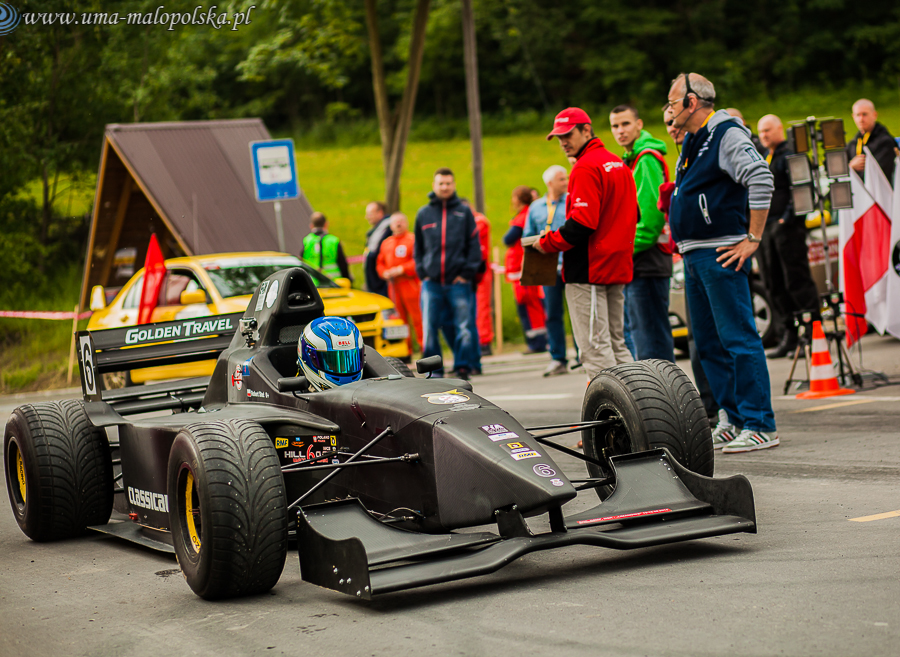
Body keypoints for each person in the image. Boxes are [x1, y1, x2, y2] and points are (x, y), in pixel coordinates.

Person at [666, 72, 777, 453]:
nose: (669, 110)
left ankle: (760, 423)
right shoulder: (694, 139)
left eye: (672, 102)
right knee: (708, 343)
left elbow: (760, 178)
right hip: (695, 253)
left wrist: (752, 238)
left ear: (691, 102)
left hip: (720, 252)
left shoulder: (726, 133)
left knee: (738, 338)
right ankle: (733, 417)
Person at [534, 107, 637, 381]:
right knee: (617, 343)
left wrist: (547, 243)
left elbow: (582, 224)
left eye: (567, 135)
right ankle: (638, 400)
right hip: (616, 264)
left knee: (594, 348)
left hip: (589, 270)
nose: (563, 142)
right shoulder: (617, 163)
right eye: (559, 137)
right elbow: (634, 215)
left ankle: (610, 406)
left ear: (586, 130)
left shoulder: (585, 166)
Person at [661, 105, 720, 423]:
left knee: (721, 336)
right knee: (700, 339)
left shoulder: (706, 149)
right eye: (667, 123)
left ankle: (738, 414)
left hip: (711, 251)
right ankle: (713, 408)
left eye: (675, 120)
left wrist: (750, 237)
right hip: (688, 254)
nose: (672, 127)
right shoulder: (682, 155)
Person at [610, 104, 675, 362]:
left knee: (651, 345)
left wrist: (621, 250)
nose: (620, 130)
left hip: (647, 257)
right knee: (645, 338)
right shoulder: (632, 158)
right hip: (640, 257)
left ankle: (660, 390)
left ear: (639, 124)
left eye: (625, 124)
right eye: (615, 126)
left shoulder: (645, 159)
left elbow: (650, 219)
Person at [756, 114, 821, 359]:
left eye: (768, 130)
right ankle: (789, 335)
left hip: (787, 228)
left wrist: (787, 219)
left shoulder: (791, 155)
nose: (764, 135)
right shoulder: (764, 157)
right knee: (773, 283)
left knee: (796, 279)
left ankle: (813, 334)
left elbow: (803, 189)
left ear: (779, 129)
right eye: (761, 131)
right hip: (766, 228)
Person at [414, 168, 483, 379]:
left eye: (448, 183)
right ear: (434, 185)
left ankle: (463, 367)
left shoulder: (464, 213)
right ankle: (434, 371)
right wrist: (423, 272)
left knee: (464, 327)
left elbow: (474, 246)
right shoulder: (423, 214)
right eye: (441, 183)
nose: (444, 187)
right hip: (431, 282)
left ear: (454, 185)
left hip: (458, 282)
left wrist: (466, 273)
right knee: (429, 327)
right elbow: (418, 247)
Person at [524, 165, 570, 376]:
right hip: (547, 267)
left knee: (578, 313)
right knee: (552, 314)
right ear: (549, 183)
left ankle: (582, 356)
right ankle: (558, 358)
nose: (566, 182)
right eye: (561, 179)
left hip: (570, 263)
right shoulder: (536, 207)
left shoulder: (571, 201)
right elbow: (527, 235)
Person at [504, 185, 549, 354]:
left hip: (521, 266)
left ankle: (537, 342)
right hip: (521, 266)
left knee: (529, 304)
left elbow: (508, 238)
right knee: (530, 304)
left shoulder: (524, 216)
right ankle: (536, 340)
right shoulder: (527, 215)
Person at [376, 213, 424, 353]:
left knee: (418, 317)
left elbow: (418, 261)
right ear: (390, 225)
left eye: (401, 221)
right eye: (395, 222)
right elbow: (380, 263)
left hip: (410, 284)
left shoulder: (412, 240)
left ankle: (424, 347)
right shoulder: (387, 243)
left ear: (406, 223)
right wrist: (384, 272)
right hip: (393, 286)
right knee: (399, 319)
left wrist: (402, 269)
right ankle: (405, 349)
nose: (398, 224)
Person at [298, 316, 366, 391]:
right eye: (332, 363)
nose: (343, 370)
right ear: (310, 358)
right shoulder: (293, 396)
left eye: (349, 361)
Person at [846, 99, 897, 184]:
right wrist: (850, 167)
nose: (861, 119)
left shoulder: (885, 142)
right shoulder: (853, 143)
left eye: (864, 114)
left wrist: (850, 170)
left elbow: (879, 174)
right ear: (853, 116)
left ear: (874, 115)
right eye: (858, 115)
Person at [299, 211, 352, 282]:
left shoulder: (306, 241)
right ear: (326, 224)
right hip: (332, 283)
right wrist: (348, 280)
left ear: (311, 226)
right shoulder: (333, 241)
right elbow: (343, 265)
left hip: (312, 284)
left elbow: (301, 263)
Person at [364, 201, 392, 297]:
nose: (367, 217)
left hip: (382, 283)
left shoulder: (388, 229)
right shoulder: (377, 230)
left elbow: (381, 255)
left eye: (370, 214)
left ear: (380, 212)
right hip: (375, 282)